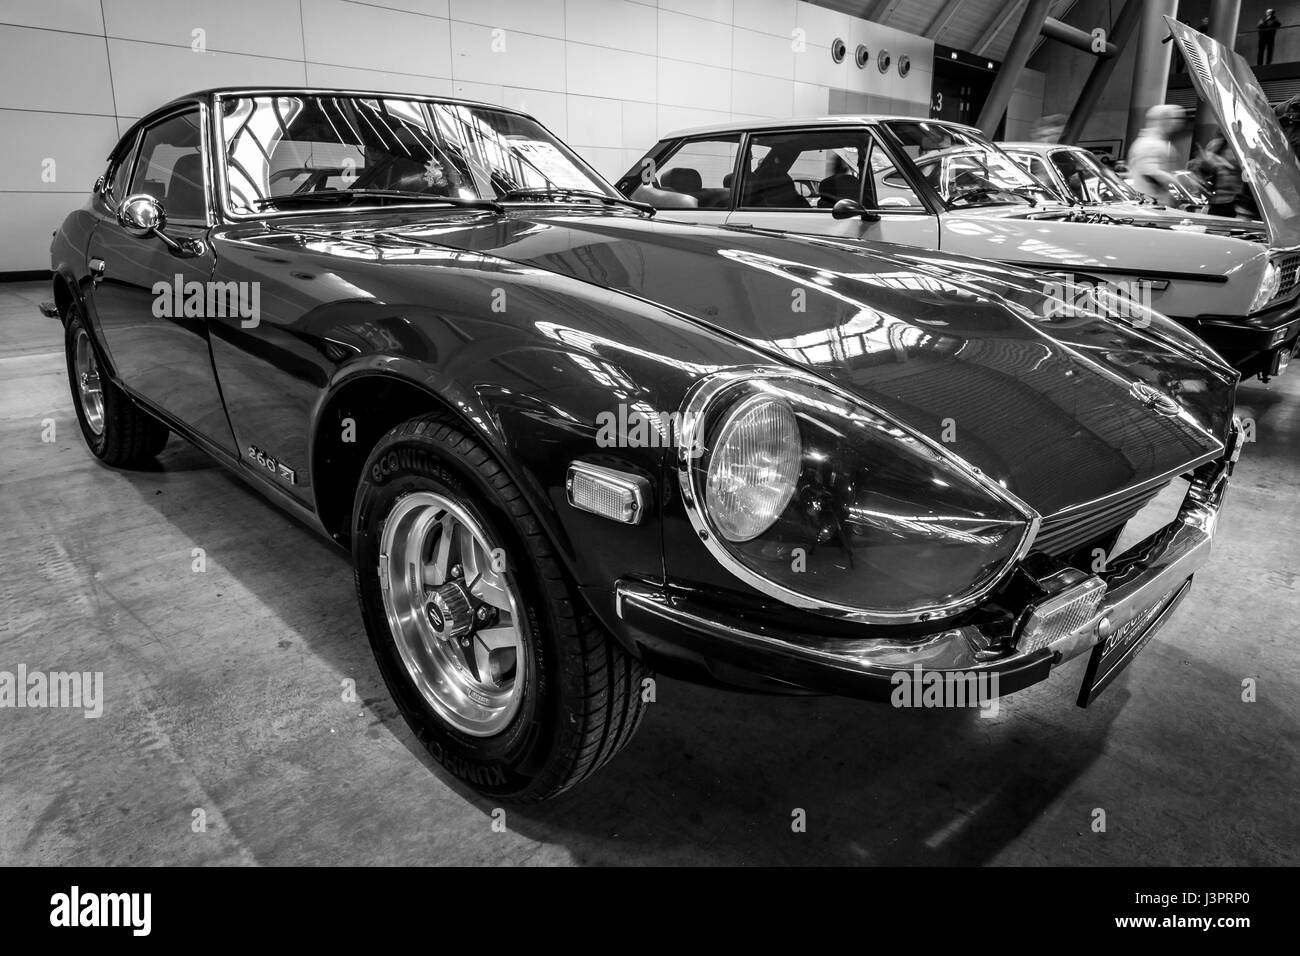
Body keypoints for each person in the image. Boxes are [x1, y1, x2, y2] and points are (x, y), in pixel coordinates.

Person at [1127, 104, 1184, 202]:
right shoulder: (1150, 143)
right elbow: (1150, 172)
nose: (1178, 122)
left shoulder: (1157, 142)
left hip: (1155, 202)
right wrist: (1180, 182)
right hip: (1150, 203)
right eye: (1175, 118)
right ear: (1163, 120)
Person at [1191, 136, 1242, 217]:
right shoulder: (1217, 144)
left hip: (1236, 205)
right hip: (1216, 204)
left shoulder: (1241, 145)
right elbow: (1203, 170)